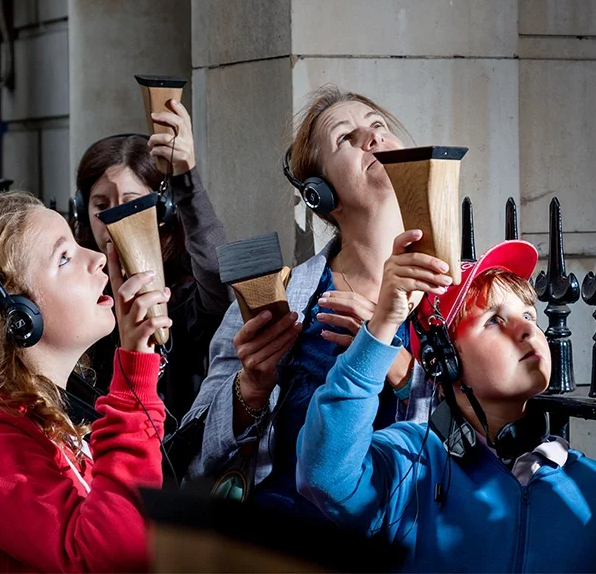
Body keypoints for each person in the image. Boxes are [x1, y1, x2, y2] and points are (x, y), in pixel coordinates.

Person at [296, 229, 596, 573]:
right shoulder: (408, 461)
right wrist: (381, 327)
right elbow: (325, 476)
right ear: (444, 362)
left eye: (528, 315)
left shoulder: (594, 485)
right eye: (493, 320)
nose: (526, 328)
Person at [182, 86, 435, 517]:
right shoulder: (286, 300)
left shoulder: (458, 290)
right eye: (345, 138)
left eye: (378, 126)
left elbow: (484, 432)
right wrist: (251, 390)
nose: (371, 138)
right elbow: (192, 458)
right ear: (320, 195)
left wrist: (391, 361)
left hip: (417, 539)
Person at [0, 190, 170, 572]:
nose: (98, 258)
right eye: (64, 257)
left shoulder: (53, 418)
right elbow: (107, 558)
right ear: (19, 315)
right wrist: (134, 373)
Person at [74, 99, 231, 426]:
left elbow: (220, 278)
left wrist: (186, 180)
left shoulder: (189, 290)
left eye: (132, 204)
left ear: (165, 212)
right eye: (101, 204)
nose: (113, 218)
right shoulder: (78, 294)